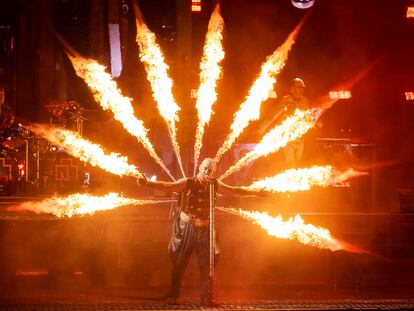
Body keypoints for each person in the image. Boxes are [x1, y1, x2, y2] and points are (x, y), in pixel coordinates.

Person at [137, 158, 265, 305]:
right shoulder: (188, 182)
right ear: (199, 168)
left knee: (206, 265)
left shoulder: (215, 184)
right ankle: (173, 296)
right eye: (205, 168)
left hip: (205, 228)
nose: (207, 171)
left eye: (210, 169)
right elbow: (167, 186)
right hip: (187, 228)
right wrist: (148, 183)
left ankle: (206, 299)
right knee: (180, 263)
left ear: (213, 172)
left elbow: (234, 191)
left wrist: (256, 192)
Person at [260, 77, 309, 168]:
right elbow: (273, 116)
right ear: (292, 88)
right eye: (298, 87)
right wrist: (260, 130)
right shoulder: (286, 100)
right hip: (288, 138)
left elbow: (308, 118)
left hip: (300, 138)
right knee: (290, 165)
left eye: (301, 87)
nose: (300, 90)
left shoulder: (305, 101)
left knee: (298, 165)